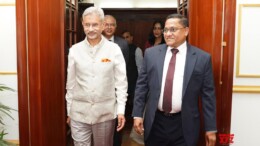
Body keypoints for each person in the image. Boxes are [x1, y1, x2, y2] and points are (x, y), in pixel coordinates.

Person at [132, 13, 217, 146]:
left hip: (185, 124)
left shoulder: (202, 58)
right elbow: (141, 86)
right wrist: (137, 114)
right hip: (155, 121)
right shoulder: (151, 54)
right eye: (165, 30)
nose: (167, 33)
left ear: (186, 31)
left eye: (173, 29)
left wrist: (210, 128)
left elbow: (208, 96)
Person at [65, 6, 128, 146]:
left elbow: (121, 83)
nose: (91, 29)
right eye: (87, 25)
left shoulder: (114, 49)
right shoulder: (75, 50)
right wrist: (69, 110)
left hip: (105, 113)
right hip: (79, 112)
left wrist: (121, 111)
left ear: (102, 25)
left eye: (95, 24)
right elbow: (71, 84)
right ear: (82, 25)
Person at [102, 15, 129, 146]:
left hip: (117, 90)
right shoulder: (96, 41)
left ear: (116, 27)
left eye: (112, 24)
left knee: (117, 123)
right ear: (101, 25)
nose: (109, 27)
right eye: (106, 24)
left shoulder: (123, 43)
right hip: (100, 90)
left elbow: (125, 68)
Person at [121, 30, 144, 144]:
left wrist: (141, 85)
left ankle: (135, 129)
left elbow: (140, 68)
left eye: (127, 37)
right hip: (122, 83)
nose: (125, 39)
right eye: (123, 37)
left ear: (131, 38)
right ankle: (122, 128)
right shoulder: (119, 48)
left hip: (135, 82)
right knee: (122, 107)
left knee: (136, 106)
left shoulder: (137, 50)